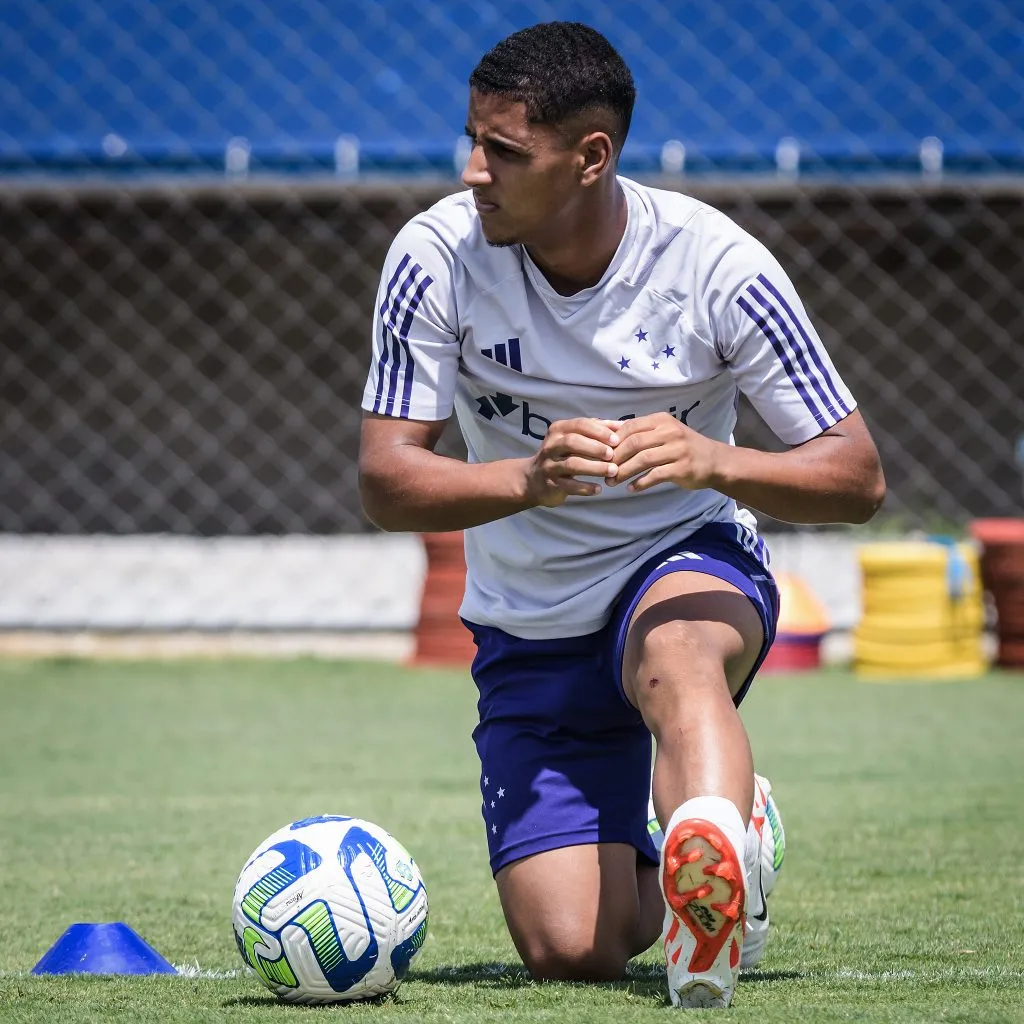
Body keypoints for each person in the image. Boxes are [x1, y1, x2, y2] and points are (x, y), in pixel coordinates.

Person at [358, 21, 884, 1009]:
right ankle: (733, 839)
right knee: (571, 947)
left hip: (680, 557)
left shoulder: (718, 267)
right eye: (471, 141)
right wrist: (525, 479)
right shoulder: (433, 258)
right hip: (529, 619)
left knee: (677, 653)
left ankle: (708, 869)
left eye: (503, 151)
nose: (474, 171)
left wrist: (713, 460)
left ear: (590, 157)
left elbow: (855, 474)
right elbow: (386, 479)